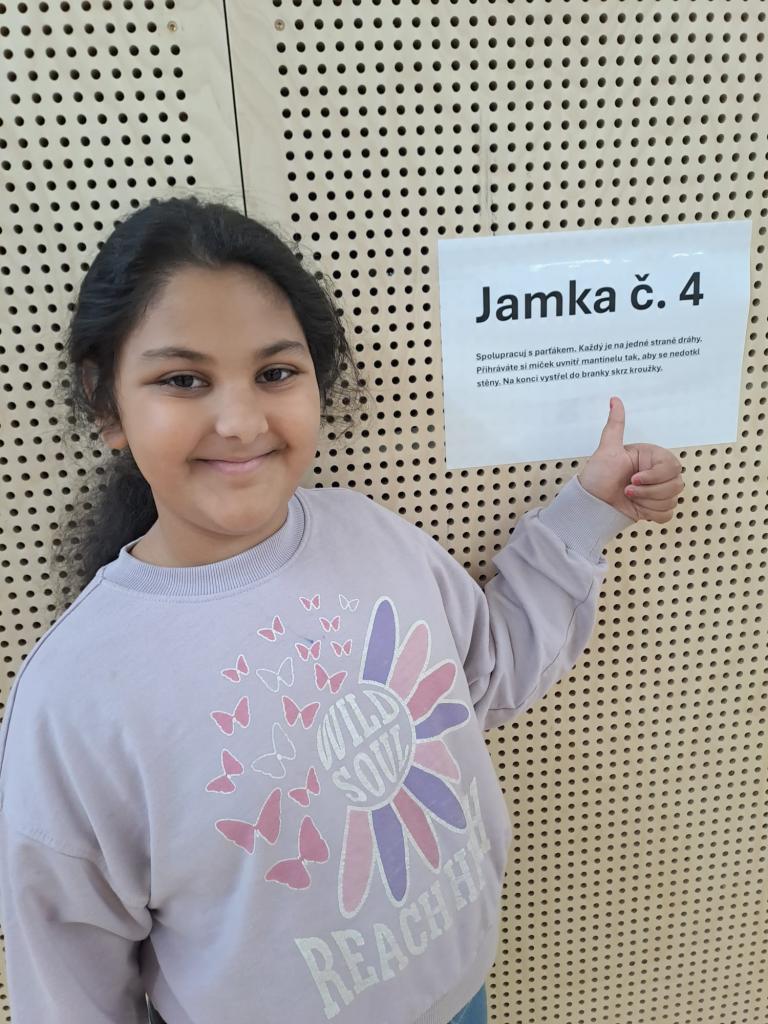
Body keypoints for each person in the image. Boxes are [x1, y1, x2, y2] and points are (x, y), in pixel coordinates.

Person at [0, 197, 684, 1024]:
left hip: (461, 996)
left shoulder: (370, 535)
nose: (240, 421)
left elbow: (485, 671)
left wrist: (588, 511)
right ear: (106, 401)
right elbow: (68, 983)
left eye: (275, 373)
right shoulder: (74, 698)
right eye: (183, 380)